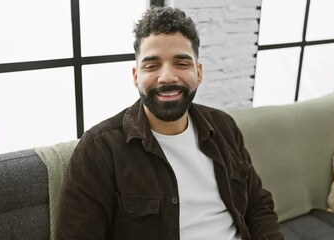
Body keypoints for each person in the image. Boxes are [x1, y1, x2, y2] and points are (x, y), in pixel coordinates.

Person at [58, 6, 283, 240]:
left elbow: (258, 206)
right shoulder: (100, 148)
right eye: (152, 66)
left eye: (182, 64)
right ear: (136, 76)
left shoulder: (224, 127)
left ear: (199, 72)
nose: (167, 77)